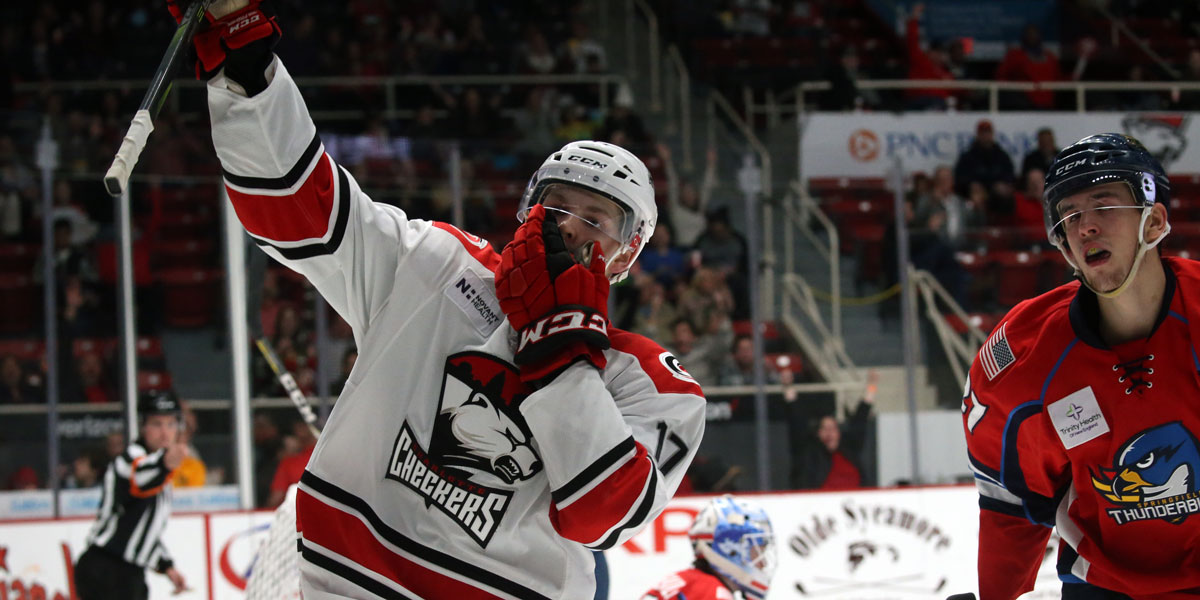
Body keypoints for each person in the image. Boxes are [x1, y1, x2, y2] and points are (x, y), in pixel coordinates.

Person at [187, 1, 706, 597]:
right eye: (558, 204)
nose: (570, 226)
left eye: (596, 218)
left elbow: (603, 513)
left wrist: (560, 344)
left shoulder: (656, 387)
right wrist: (248, 63)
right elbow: (302, 215)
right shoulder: (436, 266)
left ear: (627, 252)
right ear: (526, 211)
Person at [961, 133, 1200, 598]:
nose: (1084, 225)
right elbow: (1011, 500)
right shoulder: (1025, 356)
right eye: (1069, 215)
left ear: (1154, 222)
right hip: (1105, 588)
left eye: (1103, 205)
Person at [75, 390, 188, 599]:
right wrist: (166, 462)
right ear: (143, 426)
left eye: (171, 424)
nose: (165, 433)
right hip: (104, 568)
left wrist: (166, 566)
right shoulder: (129, 460)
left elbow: (143, 530)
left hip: (129, 573)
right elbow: (142, 475)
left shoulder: (162, 477)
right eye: (157, 424)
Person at [640, 495, 776, 600]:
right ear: (731, 550)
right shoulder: (714, 593)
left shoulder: (687, 581)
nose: (762, 563)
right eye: (758, 551)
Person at [789, 370, 876, 490]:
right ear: (818, 433)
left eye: (833, 428)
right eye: (825, 428)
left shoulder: (849, 449)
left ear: (839, 433)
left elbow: (861, 418)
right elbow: (796, 422)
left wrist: (872, 385)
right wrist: (788, 387)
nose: (829, 433)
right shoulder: (811, 454)